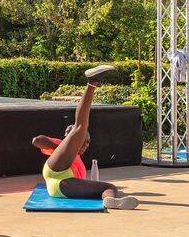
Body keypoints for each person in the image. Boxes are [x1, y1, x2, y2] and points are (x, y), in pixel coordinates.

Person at [32, 65, 139, 210]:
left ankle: (110, 200)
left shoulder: (78, 162)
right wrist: (58, 146)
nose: (86, 145)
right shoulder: (61, 146)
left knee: (109, 187)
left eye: (88, 143)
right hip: (57, 173)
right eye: (83, 141)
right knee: (80, 126)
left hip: (62, 188)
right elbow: (36, 141)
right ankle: (92, 81)